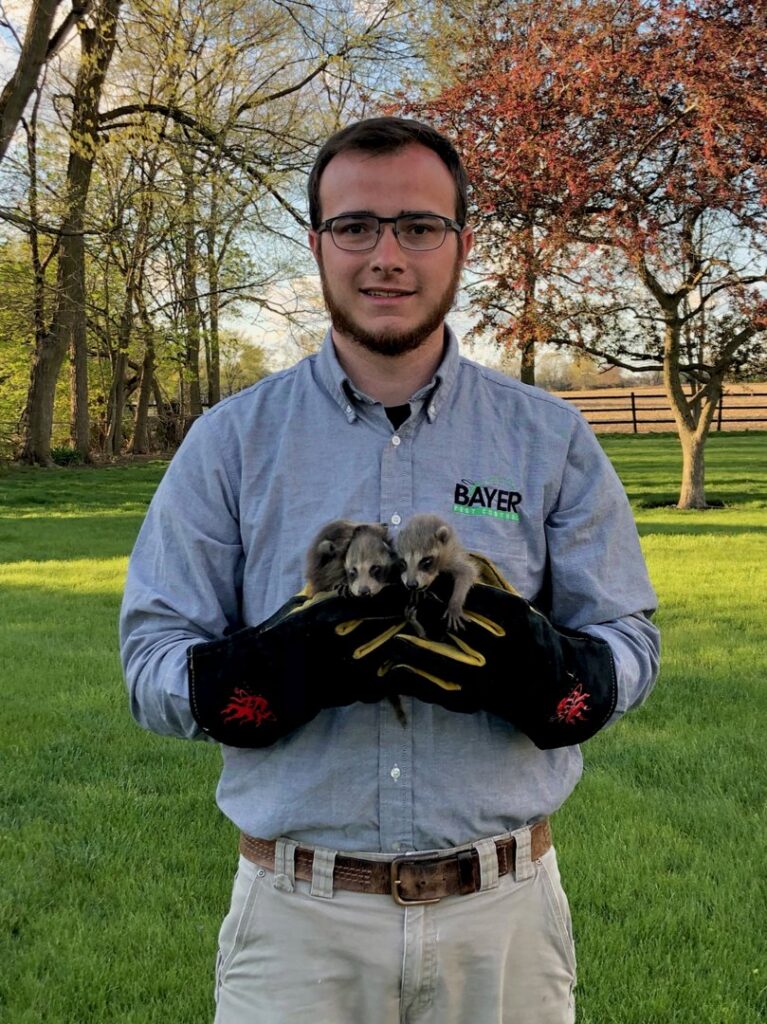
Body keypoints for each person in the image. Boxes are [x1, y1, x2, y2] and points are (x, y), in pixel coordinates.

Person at [120, 116, 660, 1024]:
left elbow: (630, 635)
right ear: (315, 244)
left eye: (418, 226)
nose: (386, 257)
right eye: (355, 227)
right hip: (297, 926)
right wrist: (246, 680)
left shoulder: (548, 435)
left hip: (506, 920)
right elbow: (148, 659)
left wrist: (571, 678)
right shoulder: (230, 442)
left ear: (461, 244)